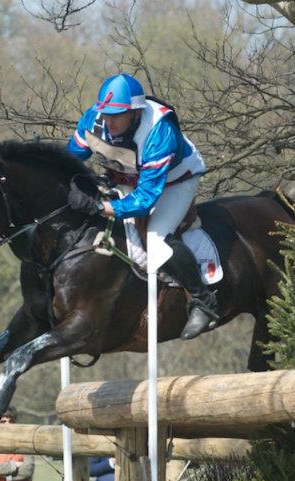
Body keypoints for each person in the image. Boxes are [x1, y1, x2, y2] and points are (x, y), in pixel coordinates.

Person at [67, 72, 217, 340]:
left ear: (135, 113)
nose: (109, 121)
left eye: (117, 115)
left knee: (156, 243)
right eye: (106, 113)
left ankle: (203, 301)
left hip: (174, 182)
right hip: (128, 177)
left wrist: (99, 207)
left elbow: (146, 199)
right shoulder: (94, 118)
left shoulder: (159, 130)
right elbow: (70, 159)